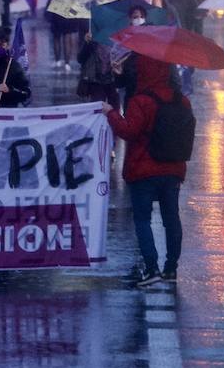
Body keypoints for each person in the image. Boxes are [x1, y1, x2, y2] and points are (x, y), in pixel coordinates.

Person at [103, 56, 189, 287]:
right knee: (171, 219)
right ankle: (171, 268)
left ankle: (151, 269)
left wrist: (111, 113)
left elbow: (128, 131)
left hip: (143, 169)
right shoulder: (182, 101)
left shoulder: (140, 101)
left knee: (142, 220)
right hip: (173, 169)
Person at [77, 33, 119, 110]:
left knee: (114, 109)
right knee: (97, 109)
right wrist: (87, 43)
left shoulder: (117, 42)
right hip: (96, 81)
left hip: (112, 81)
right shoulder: (92, 42)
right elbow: (80, 59)